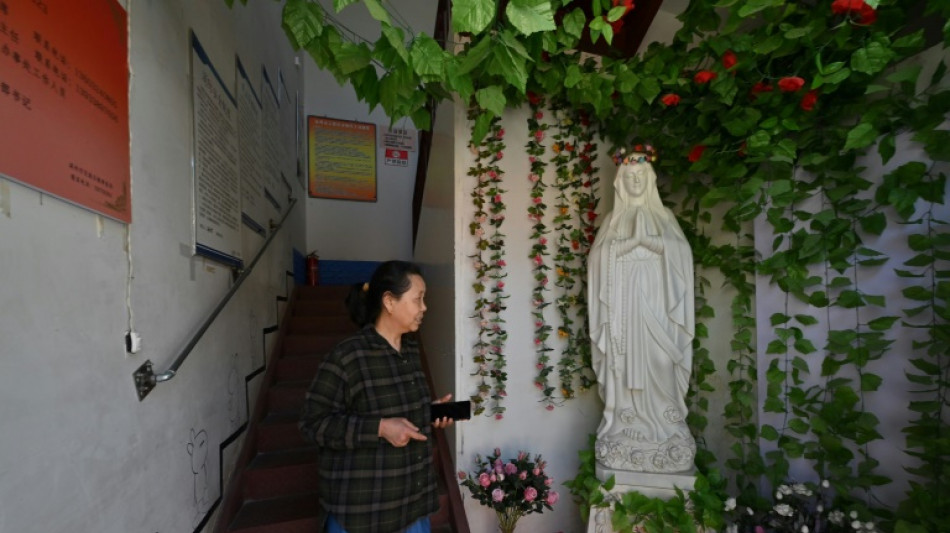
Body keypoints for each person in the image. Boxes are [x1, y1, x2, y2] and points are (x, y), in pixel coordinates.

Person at [299, 260, 453, 533]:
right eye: (418, 299)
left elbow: (399, 410)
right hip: (364, 514)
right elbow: (313, 423)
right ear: (389, 302)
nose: (424, 308)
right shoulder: (348, 356)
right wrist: (380, 428)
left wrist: (430, 412)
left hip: (412, 504)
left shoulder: (410, 351)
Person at [587, 149, 696, 474]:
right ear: (621, 182)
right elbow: (597, 261)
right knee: (623, 367)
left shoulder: (664, 219)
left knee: (661, 360)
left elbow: (680, 256)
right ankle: (627, 420)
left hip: (657, 306)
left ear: (649, 181)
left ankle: (666, 423)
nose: (635, 182)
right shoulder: (612, 221)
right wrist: (627, 245)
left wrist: (650, 244)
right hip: (624, 308)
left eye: (641, 177)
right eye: (629, 177)